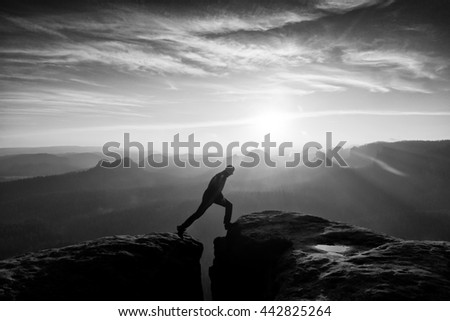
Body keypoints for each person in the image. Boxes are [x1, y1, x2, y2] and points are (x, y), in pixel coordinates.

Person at [177, 165, 235, 238]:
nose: (232, 174)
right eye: (232, 172)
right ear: (229, 171)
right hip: (210, 197)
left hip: (213, 196)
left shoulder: (222, 175)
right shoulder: (221, 176)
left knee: (229, 205)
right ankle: (181, 228)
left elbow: (215, 187)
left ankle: (227, 224)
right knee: (198, 214)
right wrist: (221, 197)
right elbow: (214, 187)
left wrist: (219, 197)